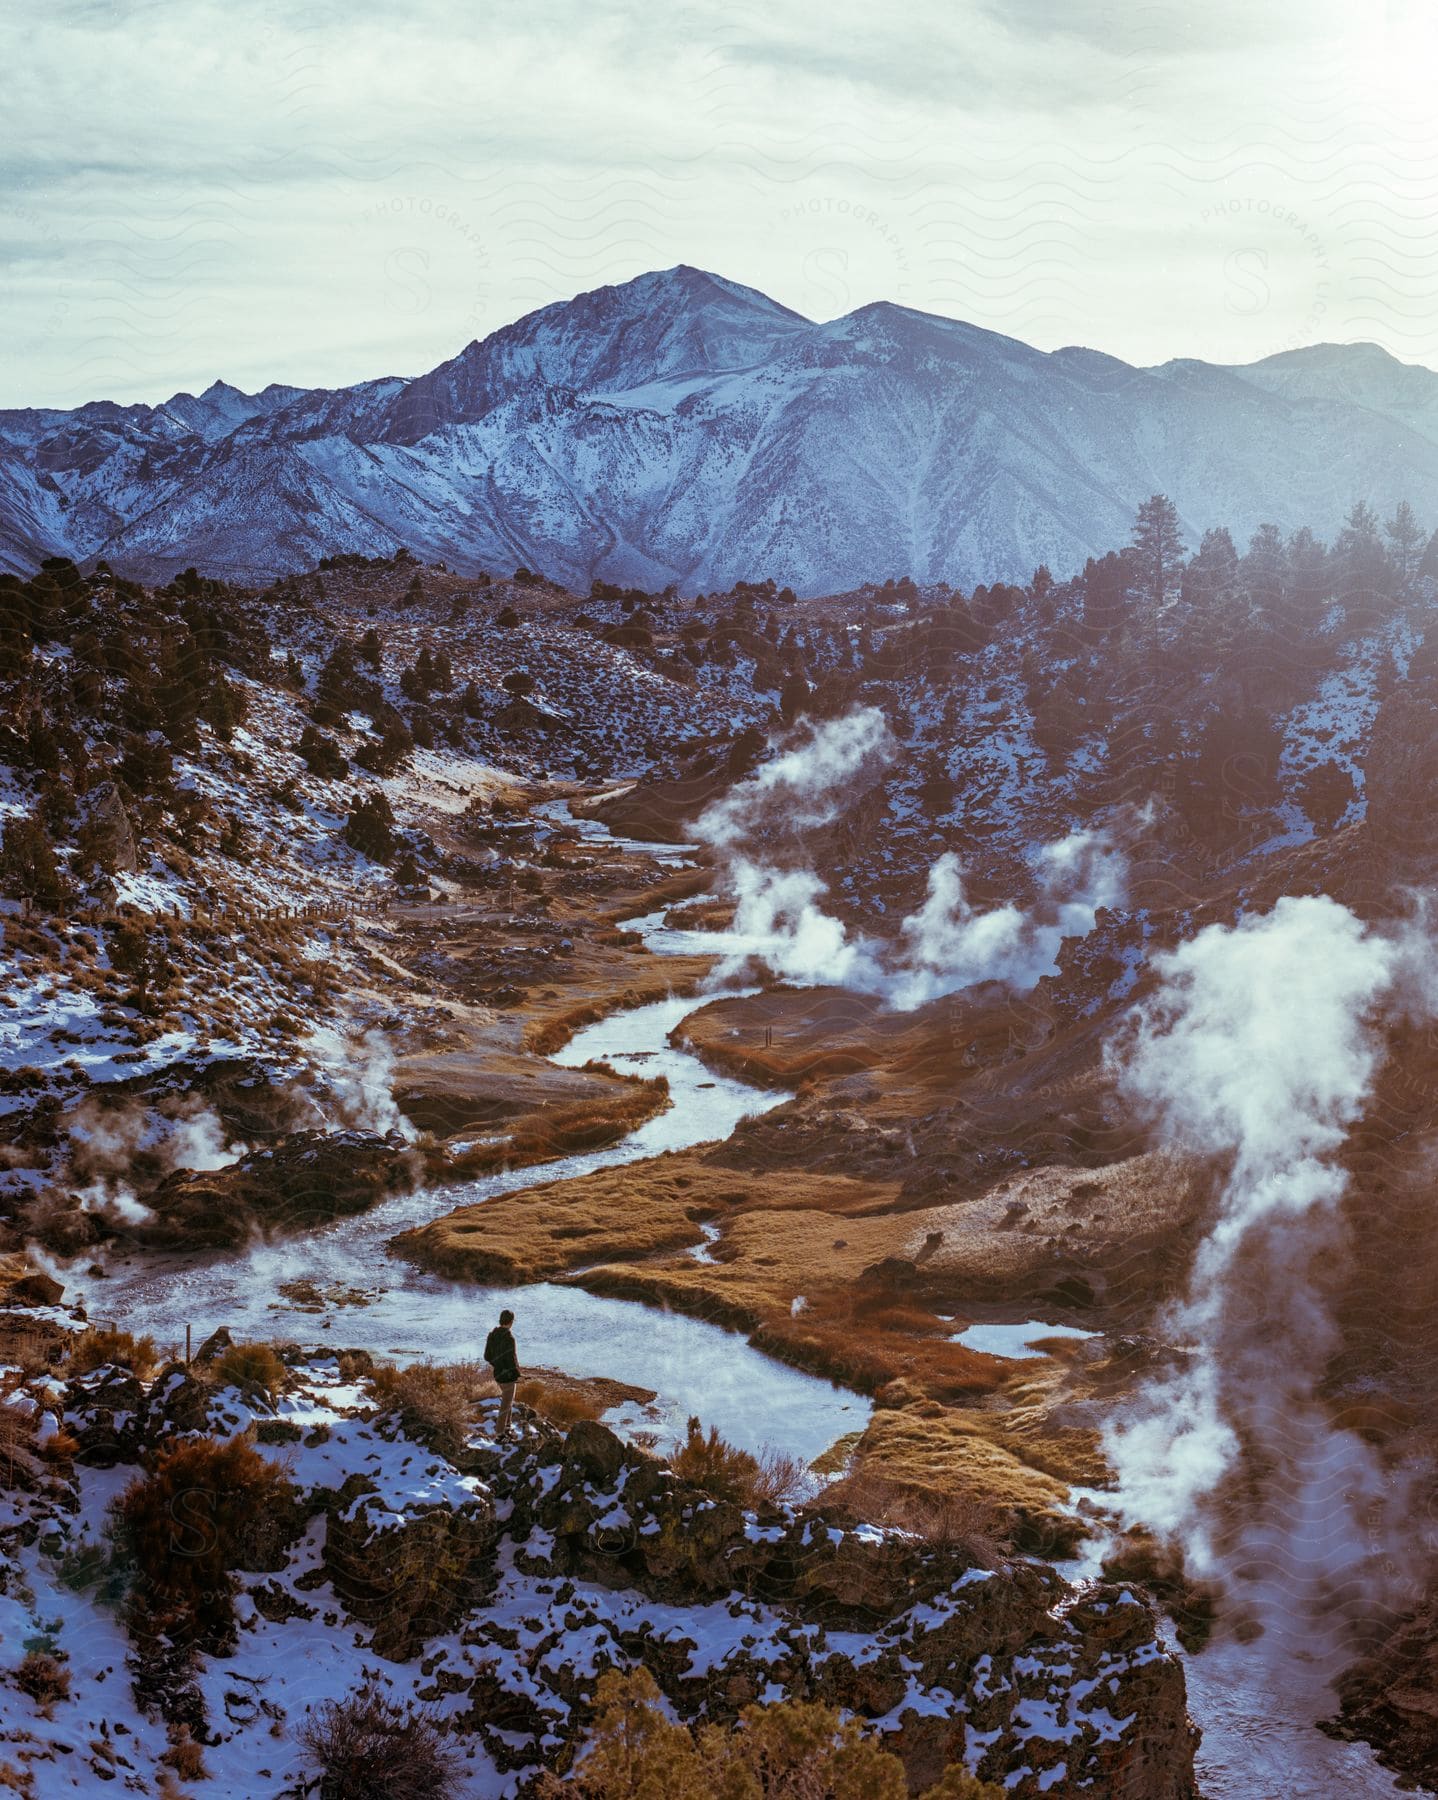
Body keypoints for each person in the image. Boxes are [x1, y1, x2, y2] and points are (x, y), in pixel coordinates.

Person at [484, 1308, 520, 1440]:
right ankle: (500, 1434)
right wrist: (517, 1374)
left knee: (508, 1401)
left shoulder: (492, 1335)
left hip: (498, 1374)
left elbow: (487, 1356)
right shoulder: (509, 1337)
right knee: (506, 1404)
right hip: (508, 1376)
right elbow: (512, 1359)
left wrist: (497, 1365)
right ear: (511, 1322)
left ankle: (507, 1427)